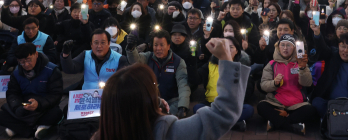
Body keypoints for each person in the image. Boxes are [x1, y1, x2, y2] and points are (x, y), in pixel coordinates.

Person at [92, 38, 250, 140]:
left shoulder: (101, 135)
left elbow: (183, 84)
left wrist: (158, 104)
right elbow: (223, 114)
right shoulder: (169, 132)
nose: (158, 48)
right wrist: (226, 60)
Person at [0, 43, 63, 138]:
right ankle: (35, 129)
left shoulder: (51, 70)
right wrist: (17, 107)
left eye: (28, 60)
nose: (26, 64)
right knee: (0, 116)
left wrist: (38, 104)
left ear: (36, 54)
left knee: (56, 114)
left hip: (43, 108)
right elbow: (12, 93)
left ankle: (20, 128)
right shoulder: (16, 72)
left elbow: (56, 95)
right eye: (22, 62)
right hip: (25, 108)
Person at [258, 34, 318, 135]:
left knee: (311, 110)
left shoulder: (300, 62)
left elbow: (307, 83)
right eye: (283, 45)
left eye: (289, 45)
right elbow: (263, 85)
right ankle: (292, 125)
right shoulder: (272, 64)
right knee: (261, 107)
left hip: (297, 104)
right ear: (278, 47)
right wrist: (274, 83)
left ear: (294, 48)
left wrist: (303, 68)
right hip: (276, 102)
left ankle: (276, 122)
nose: (285, 48)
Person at [310, 30, 348, 128]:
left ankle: (329, 121)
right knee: (317, 102)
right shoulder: (332, 55)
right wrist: (317, 33)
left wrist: (346, 106)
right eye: (343, 46)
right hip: (329, 103)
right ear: (338, 46)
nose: (345, 51)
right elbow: (322, 48)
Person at [127, 29, 191, 117]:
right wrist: (131, 48)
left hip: (172, 102)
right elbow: (135, 60)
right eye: (155, 45)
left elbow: (183, 85)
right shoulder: (148, 57)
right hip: (152, 100)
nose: (158, 49)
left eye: (162, 45)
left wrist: (182, 107)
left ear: (169, 46)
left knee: (165, 118)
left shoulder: (178, 62)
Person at [194, 36, 252, 131]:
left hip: (233, 107)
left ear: (237, 50)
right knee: (197, 108)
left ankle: (214, 123)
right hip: (212, 104)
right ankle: (232, 123)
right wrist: (192, 60)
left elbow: (248, 91)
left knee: (249, 109)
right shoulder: (211, 64)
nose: (227, 50)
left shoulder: (241, 66)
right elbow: (195, 80)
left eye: (231, 47)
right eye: (225, 47)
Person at [61, 28, 128, 90]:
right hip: (87, 97)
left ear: (109, 43)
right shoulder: (85, 55)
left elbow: (124, 83)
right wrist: (66, 54)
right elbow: (70, 69)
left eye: (103, 42)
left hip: (109, 98)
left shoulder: (120, 59)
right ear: (91, 45)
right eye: (96, 43)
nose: (99, 46)